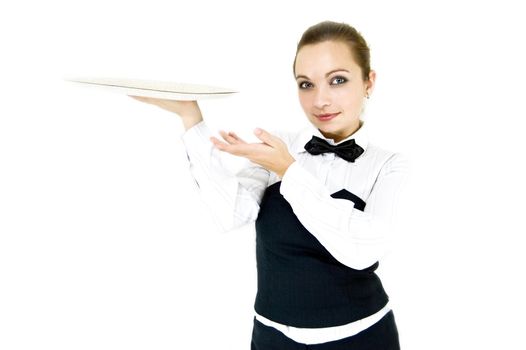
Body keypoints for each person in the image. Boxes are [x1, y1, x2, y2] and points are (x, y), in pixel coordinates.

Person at [130, 20, 409, 350]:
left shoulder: (390, 165)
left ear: (368, 82)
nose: (320, 100)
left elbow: (362, 250)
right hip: (272, 337)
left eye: (338, 80)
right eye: (306, 84)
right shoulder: (282, 144)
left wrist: (289, 171)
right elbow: (232, 214)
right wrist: (192, 120)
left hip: (362, 337)